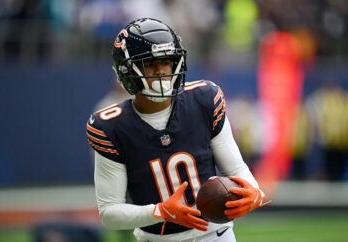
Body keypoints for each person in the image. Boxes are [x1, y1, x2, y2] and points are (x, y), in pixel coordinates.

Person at [86, 18, 270, 242]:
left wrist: (254, 192)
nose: (162, 71)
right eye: (151, 64)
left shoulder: (204, 100)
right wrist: (160, 211)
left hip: (215, 236)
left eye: (167, 62)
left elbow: (237, 169)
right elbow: (109, 213)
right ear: (127, 70)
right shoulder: (111, 126)